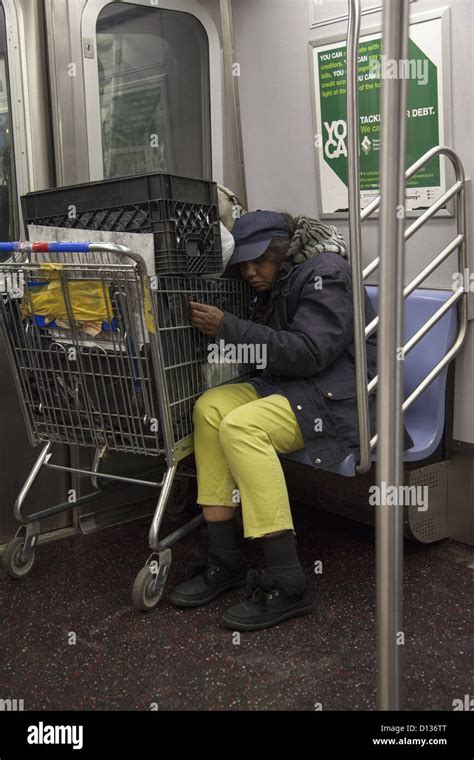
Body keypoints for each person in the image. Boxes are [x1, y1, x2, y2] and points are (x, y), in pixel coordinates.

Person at [169, 210, 379, 632]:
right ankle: (226, 558)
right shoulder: (283, 277)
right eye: (243, 264)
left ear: (282, 249)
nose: (249, 271)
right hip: (293, 386)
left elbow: (309, 352)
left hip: (338, 398)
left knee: (241, 426)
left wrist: (229, 327)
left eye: (258, 261)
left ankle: (289, 580)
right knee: (210, 409)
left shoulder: (327, 273)